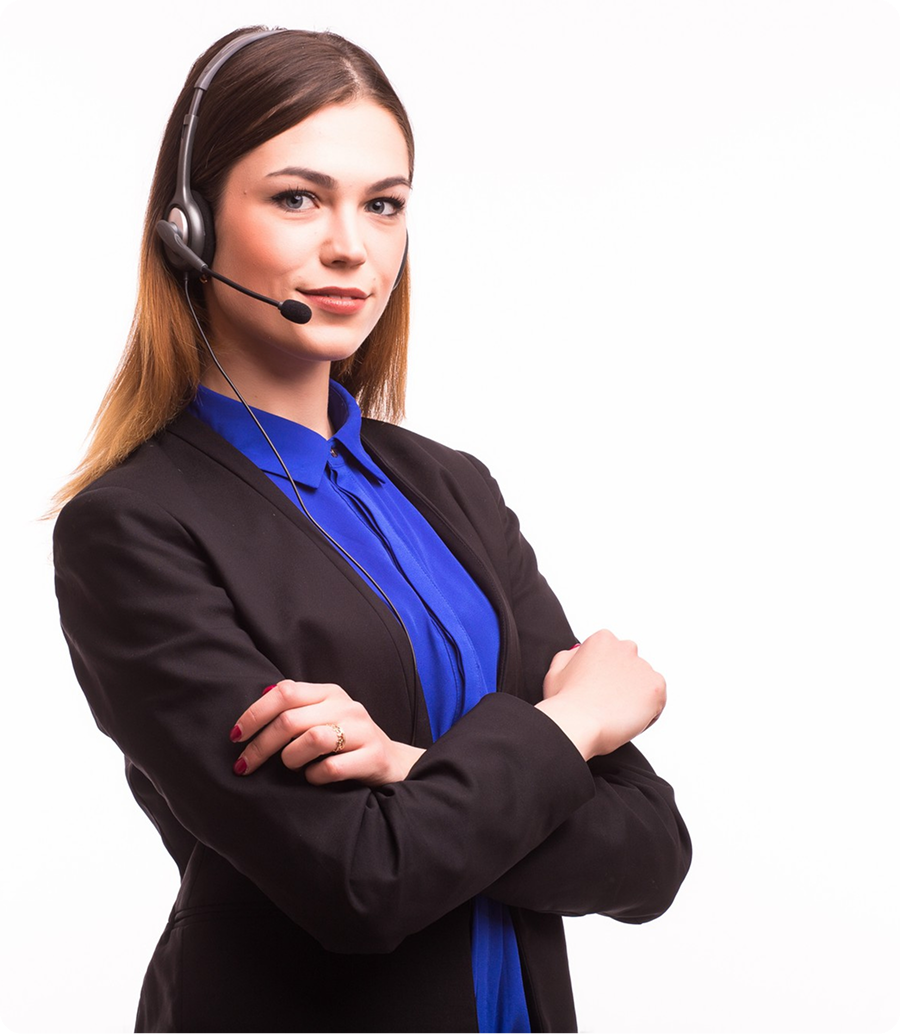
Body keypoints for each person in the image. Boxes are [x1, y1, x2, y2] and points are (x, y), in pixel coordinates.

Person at [52, 26, 691, 1034]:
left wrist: (405, 767)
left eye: (383, 204)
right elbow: (362, 880)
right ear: (189, 224)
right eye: (298, 198)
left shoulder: (453, 486)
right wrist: (571, 724)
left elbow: (650, 855)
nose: (353, 244)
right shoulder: (130, 529)